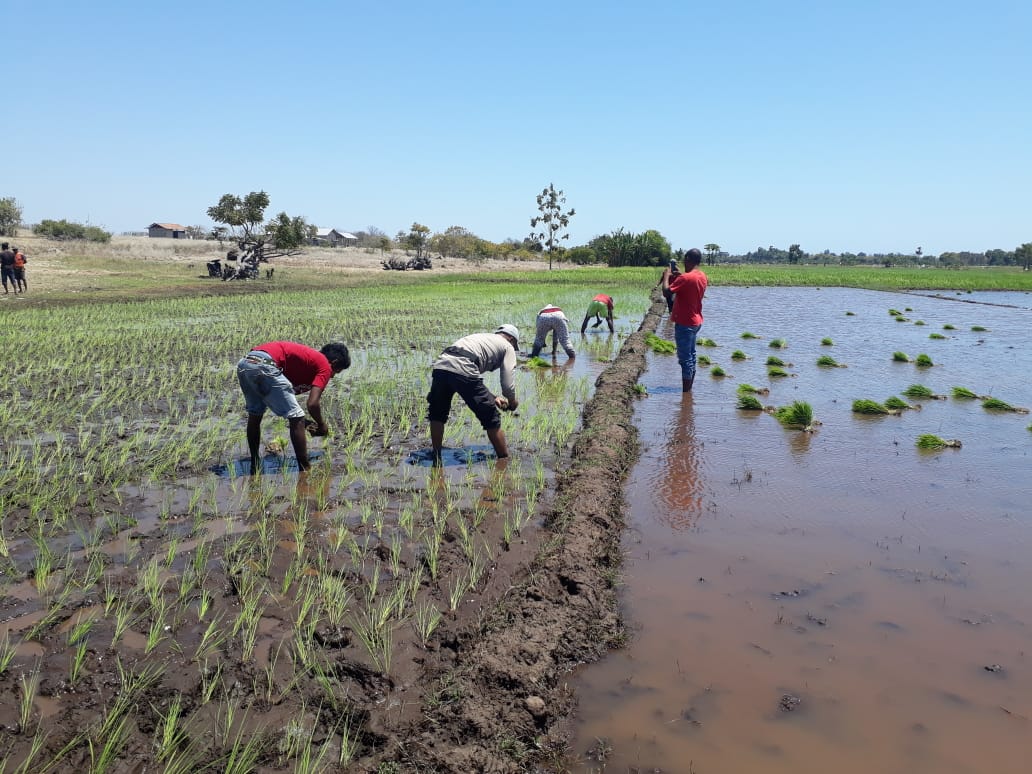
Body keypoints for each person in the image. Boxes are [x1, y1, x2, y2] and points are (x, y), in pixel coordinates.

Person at [237, 341, 351, 473]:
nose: (332, 376)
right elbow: (312, 404)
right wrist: (321, 424)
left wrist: (305, 423)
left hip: (246, 363)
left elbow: (278, 400)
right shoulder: (324, 364)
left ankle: (255, 464)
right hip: (265, 363)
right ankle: (305, 469)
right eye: (336, 372)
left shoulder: (306, 362)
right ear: (334, 362)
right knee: (297, 417)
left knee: (255, 414)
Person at [428, 325, 520, 463]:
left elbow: (470, 376)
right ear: (511, 339)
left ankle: (436, 456)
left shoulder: (483, 337)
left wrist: (493, 397)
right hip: (464, 367)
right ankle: (504, 459)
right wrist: (512, 401)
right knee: (491, 417)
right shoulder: (508, 347)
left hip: (441, 365)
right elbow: (507, 384)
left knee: (437, 414)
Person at [661, 248, 708, 392]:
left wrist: (666, 277)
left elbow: (666, 292)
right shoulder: (701, 276)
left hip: (685, 322)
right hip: (696, 321)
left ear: (688, 259)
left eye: (684, 259)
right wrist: (681, 276)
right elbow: (689, 284)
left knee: (685, 359)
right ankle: (689, 392)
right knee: (691, 356)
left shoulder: (686, 278)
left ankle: (686, 393)